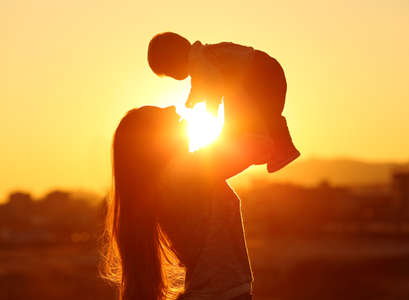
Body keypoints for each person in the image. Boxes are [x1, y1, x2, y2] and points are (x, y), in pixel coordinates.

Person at [101, 105, 273, 300]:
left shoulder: (176, 177)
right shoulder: (182, 174)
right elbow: (257, 145)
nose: (173, 107)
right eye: (161, 113)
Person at [147, 32, 300, 173]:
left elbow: (214, 84)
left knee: (238, 108)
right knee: (264, 114)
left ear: (175, 59)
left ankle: (253, 140)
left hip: (258, 74)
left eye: (169, 72)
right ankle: (279, 147)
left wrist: (211, 111)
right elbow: (201, 84)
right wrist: (192, 99)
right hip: (269, 69)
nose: (174, 77)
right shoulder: (201, 58)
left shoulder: (200, 62)